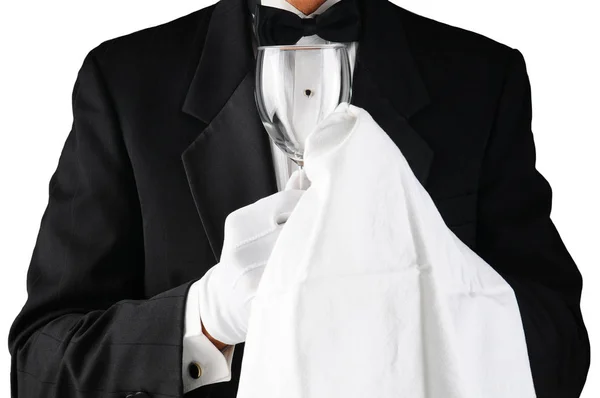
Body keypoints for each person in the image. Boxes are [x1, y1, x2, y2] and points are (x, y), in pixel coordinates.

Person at [8, 0, 590, 397]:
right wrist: (205, 320)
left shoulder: (483, 77)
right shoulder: (125, 80)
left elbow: (561, 351)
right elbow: (38, 365)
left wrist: (439, 300)